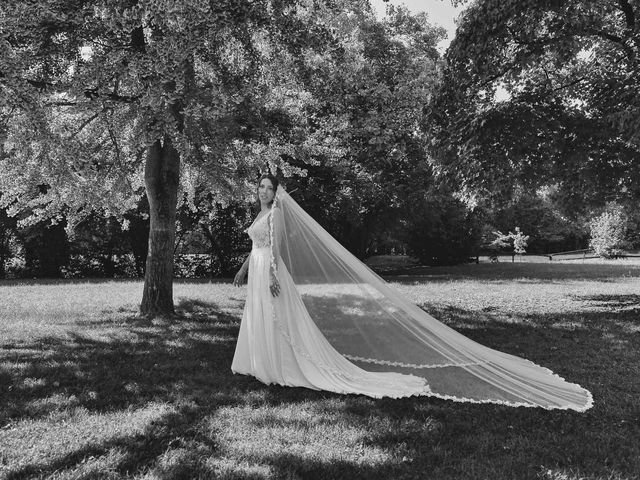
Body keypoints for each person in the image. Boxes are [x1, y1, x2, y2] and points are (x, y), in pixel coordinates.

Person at [231, 174, 593, 411]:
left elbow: (275, 249)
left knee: (278, 320)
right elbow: (255, 249)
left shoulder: (277, 214)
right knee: (259, 317)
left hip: (272, 273)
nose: (263, 191)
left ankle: (279, 366)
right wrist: (243, 270)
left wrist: (274, 275)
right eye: (260, 187)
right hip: (259, 269)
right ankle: (259, 362)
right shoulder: (259, 214)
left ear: (275, 191)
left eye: (268, 187)